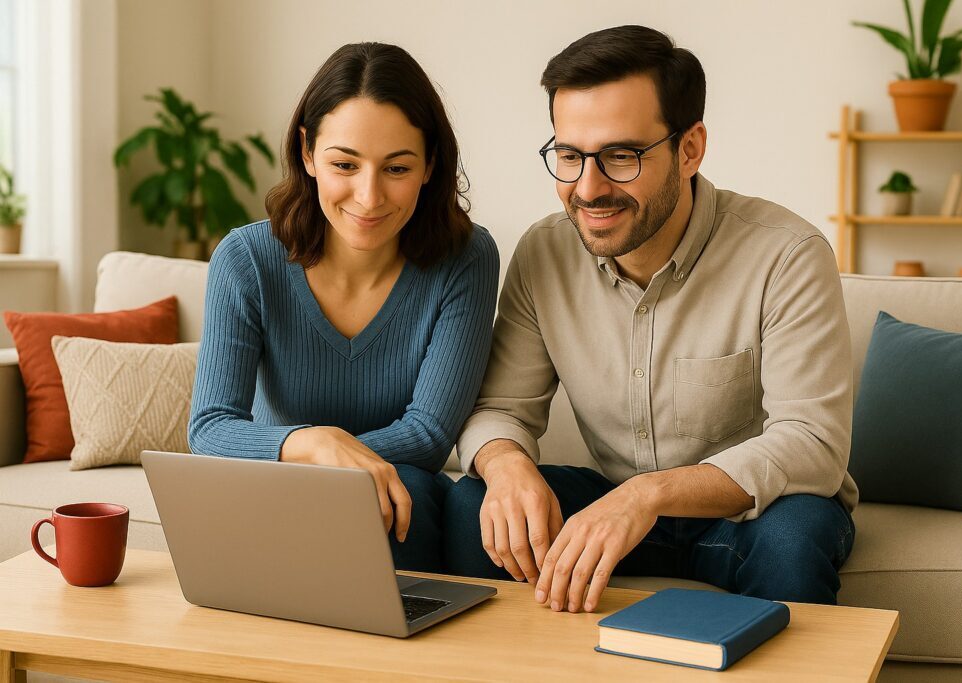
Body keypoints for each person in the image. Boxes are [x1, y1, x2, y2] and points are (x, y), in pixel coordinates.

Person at [444, 25, 858, 610]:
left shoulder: (786, 254)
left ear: (689, 149)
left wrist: (650, 494)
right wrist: (507, 465)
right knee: (473, 508)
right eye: (568, 156)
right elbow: (501, 410)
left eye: (620, 156)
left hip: (751, 515)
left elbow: (811, 442)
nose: (587, 189)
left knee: (794, 539)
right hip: (614, 501)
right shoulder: (544, 254)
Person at [189, 42, 499, 573]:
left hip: (403, 492)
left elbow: (427, 434)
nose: (369, 196)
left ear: (430, 165)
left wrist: (338, 458)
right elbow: (210, 427)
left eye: (397, 168)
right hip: (278, 487)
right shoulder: (245, 259)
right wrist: (314, 446)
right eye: (344, 164)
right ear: (308, 153)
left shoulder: (466, 257)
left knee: (407, 499)